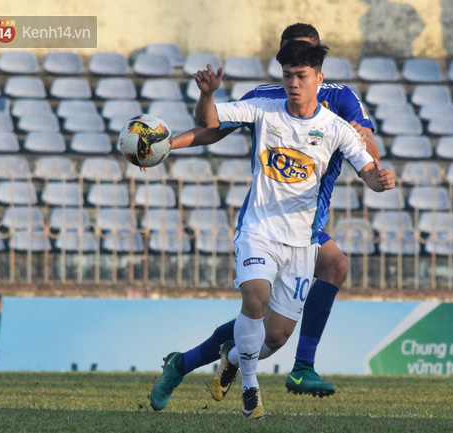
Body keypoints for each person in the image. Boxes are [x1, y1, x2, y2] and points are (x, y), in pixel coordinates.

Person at [150, 23, 380, 412]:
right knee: (277, 291)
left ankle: (203, 361)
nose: (294, 69)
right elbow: (212, 129)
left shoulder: (341, 100)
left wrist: (364, 138)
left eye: (304, 60)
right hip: (266, 221)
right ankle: (301, 367)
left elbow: (368, 150)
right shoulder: (266, 99)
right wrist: (167, 145)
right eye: (288, 61)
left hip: (307, 226)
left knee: (272, 333)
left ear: (318, 62)